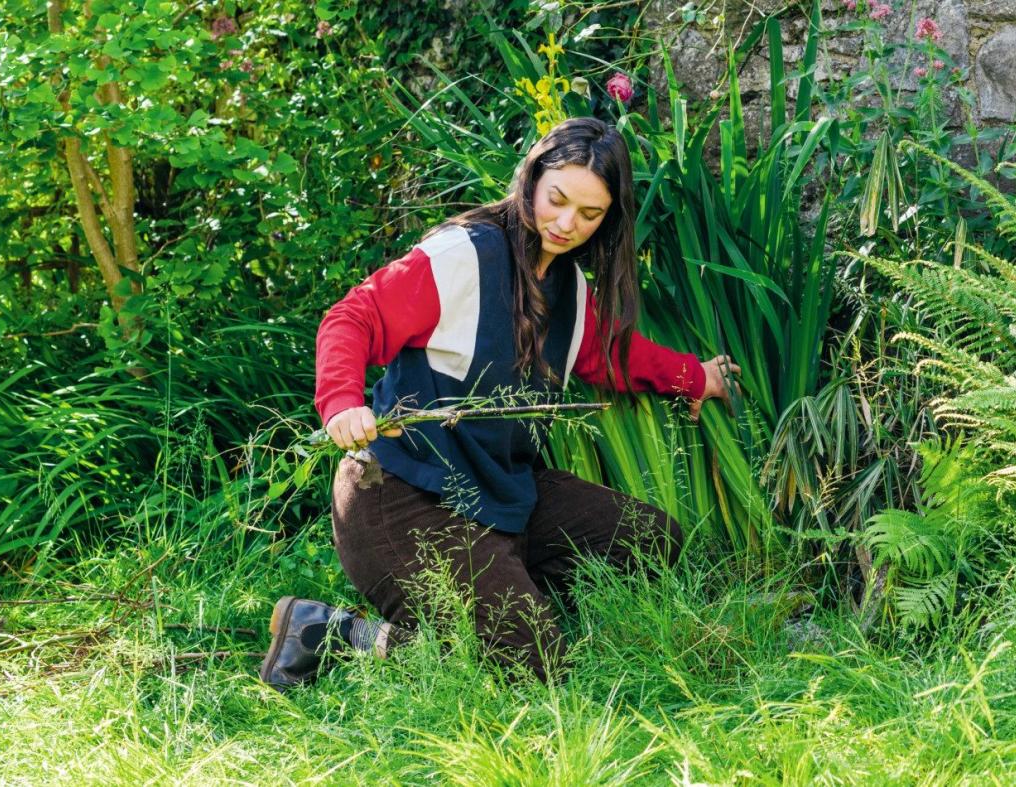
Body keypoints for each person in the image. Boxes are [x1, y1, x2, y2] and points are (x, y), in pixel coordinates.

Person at [259, 117, 738, 689]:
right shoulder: (464, 256)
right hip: (402, 499)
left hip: (503, 494)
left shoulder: (571, 288)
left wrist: (694, 377)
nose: (567, 224)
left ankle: (494, 610)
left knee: (650, 539)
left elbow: (610, 355)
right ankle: (335, 634)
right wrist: (341, 403)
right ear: (532, 179)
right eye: (557, 200)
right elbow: (353, 317)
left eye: (590, 215)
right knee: (536, 666)